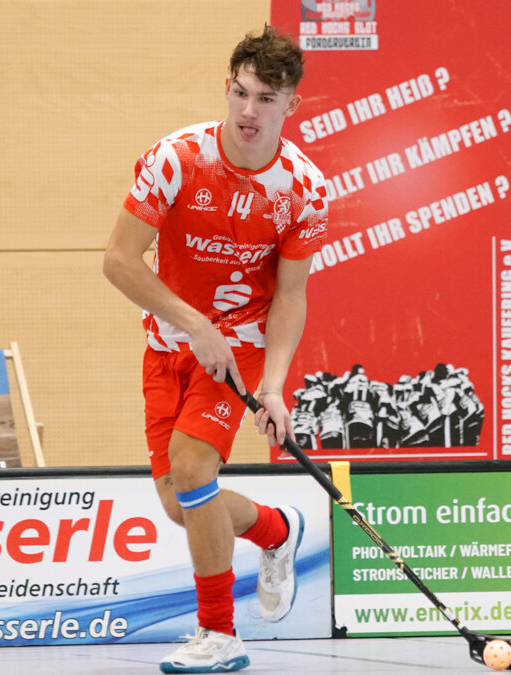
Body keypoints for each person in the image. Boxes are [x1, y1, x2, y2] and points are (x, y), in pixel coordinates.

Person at [102, 24, 328, 674]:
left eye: (266, 99)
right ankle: (277, 529)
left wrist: (273, 386)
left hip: (242, 347)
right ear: (227, 88)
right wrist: (193, 324)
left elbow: (290, 295)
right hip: (168, 344)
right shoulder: (175, 160)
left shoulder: (303, 189)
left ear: (292, 104)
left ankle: (219, 634)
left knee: (193, 470)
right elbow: (119, 260)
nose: (249, 111)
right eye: (241, 93)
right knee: (181, 502)